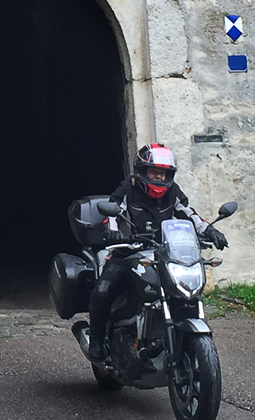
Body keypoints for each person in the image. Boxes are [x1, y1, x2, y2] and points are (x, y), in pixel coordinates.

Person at [88, 143, 228, 361]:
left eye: (163, 173)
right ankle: (96, 339)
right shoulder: (128, 188)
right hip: (127, 252)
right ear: (142, 171)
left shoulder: (173, 192)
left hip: (163, 253)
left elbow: (188, 213)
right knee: (103, 289)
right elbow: (112, 214)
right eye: (154, 172)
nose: (159, 178)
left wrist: (209, 230)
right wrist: (112, 232)